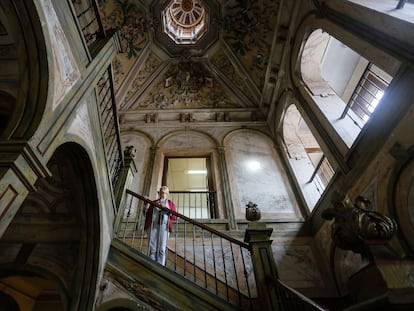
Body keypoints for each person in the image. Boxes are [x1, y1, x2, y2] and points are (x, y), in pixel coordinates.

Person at [144, 186, 177, 265]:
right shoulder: (154, 202)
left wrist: (166, 209)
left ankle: (160, 266)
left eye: (165, 193)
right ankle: (152, 265)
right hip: (154, 225)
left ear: (168, 194)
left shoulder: (171, 204)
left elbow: (174, 217)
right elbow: (146, 214)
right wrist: (145, 204)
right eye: (162, 192)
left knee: (162, 248)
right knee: (153, 248)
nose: (163, 194)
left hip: (164, 227)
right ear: (159, 193)